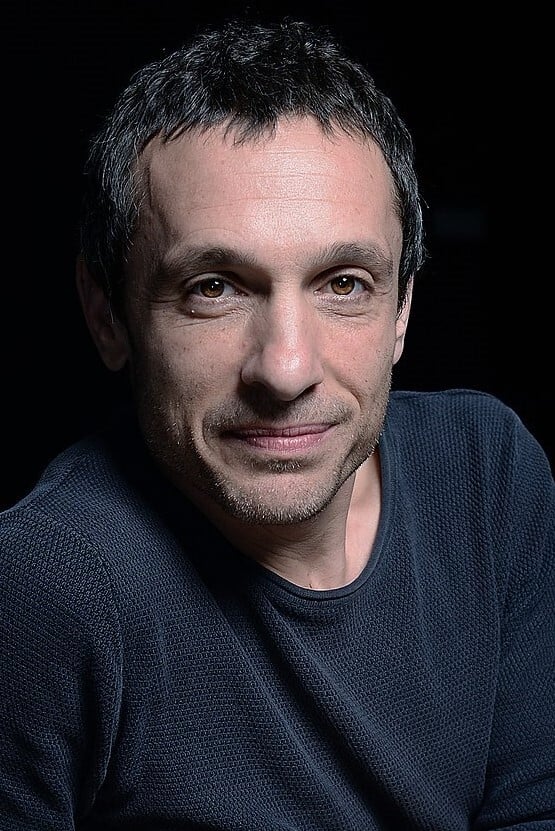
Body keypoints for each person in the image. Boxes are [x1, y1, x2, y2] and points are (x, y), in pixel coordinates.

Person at [0, 15, 553, 831]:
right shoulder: (48, 584)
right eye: (214, 287)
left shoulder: (486, 474)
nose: (286, 369)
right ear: (106, 314)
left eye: (343, 283)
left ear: (401, 308)